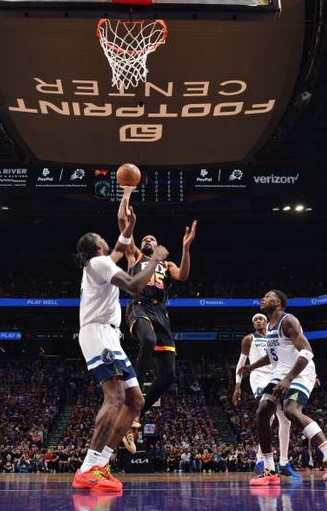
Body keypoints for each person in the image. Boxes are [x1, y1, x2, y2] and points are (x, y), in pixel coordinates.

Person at [72, 202, 169, 492]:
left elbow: (122, 242)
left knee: (135, 400)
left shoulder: (102, 262)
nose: (106, 240)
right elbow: (133, 286)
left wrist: (129, 218)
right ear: (95, 245)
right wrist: (156, 259)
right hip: (98, 333)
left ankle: (101, 463)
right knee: (114, 398)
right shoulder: (99, 263)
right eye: (101, 238)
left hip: (109, 335)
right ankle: (88, 467)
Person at [238, 290, 327, 485]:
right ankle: (269, 470)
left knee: (290, 410)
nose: (262, 299)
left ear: (278, 302)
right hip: (280, 371)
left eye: (267, 296)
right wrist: (252, 367)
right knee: (263, 411)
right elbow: (274, 356)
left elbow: (307, 352)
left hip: (300, 370)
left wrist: (289, 379)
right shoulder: (271, 326)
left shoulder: (288, 321)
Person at [117, 187, 197, 450]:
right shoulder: (135, 256)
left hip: (161, 312)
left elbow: (183, 276)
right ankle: (133, 394)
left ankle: (137, 412)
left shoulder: (167, 264)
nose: (148, 239)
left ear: (158, 245)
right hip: (139, 306)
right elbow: (123, 223)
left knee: (169, 375)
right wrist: (126, 195)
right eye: (146, 238)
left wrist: (185, 248)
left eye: (153, 238)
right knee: (147, 340)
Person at [233, 313, 300, 479]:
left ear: (266, 321)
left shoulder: (274, 337)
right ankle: (260, 461)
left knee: (285, 419)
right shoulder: (249, 339)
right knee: (267, 414)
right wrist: (238, 385)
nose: (257, 321)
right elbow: (241, 364)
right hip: (259, 378)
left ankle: (284, 463)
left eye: (260, 318)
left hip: (276, 377)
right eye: (254, 319)